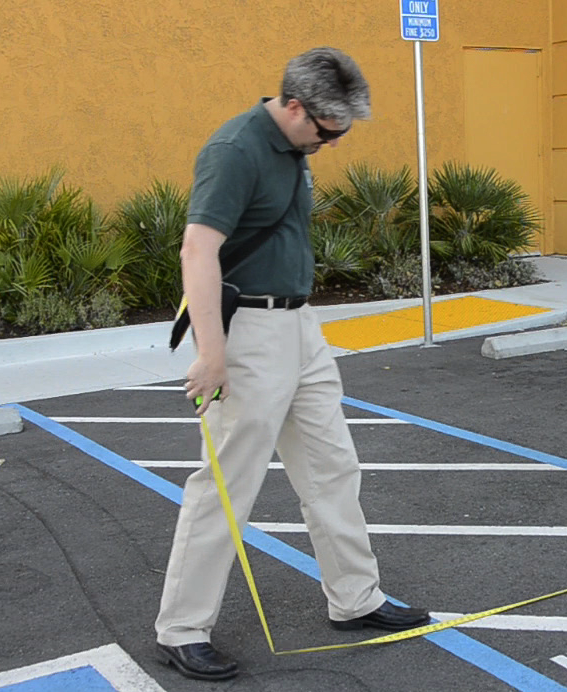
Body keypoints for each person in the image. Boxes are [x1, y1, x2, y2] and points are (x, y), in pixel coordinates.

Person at [154, 47, 429, 682]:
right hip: (247, 332)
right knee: (226, 486)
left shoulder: (296, 148)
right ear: (296, 106)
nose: (329, 145)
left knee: (333, 466)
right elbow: (198, 247)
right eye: (326, 132)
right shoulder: (236, 151)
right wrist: (212, 354)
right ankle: (181, 629)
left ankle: (355, 598)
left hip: (301, 326)